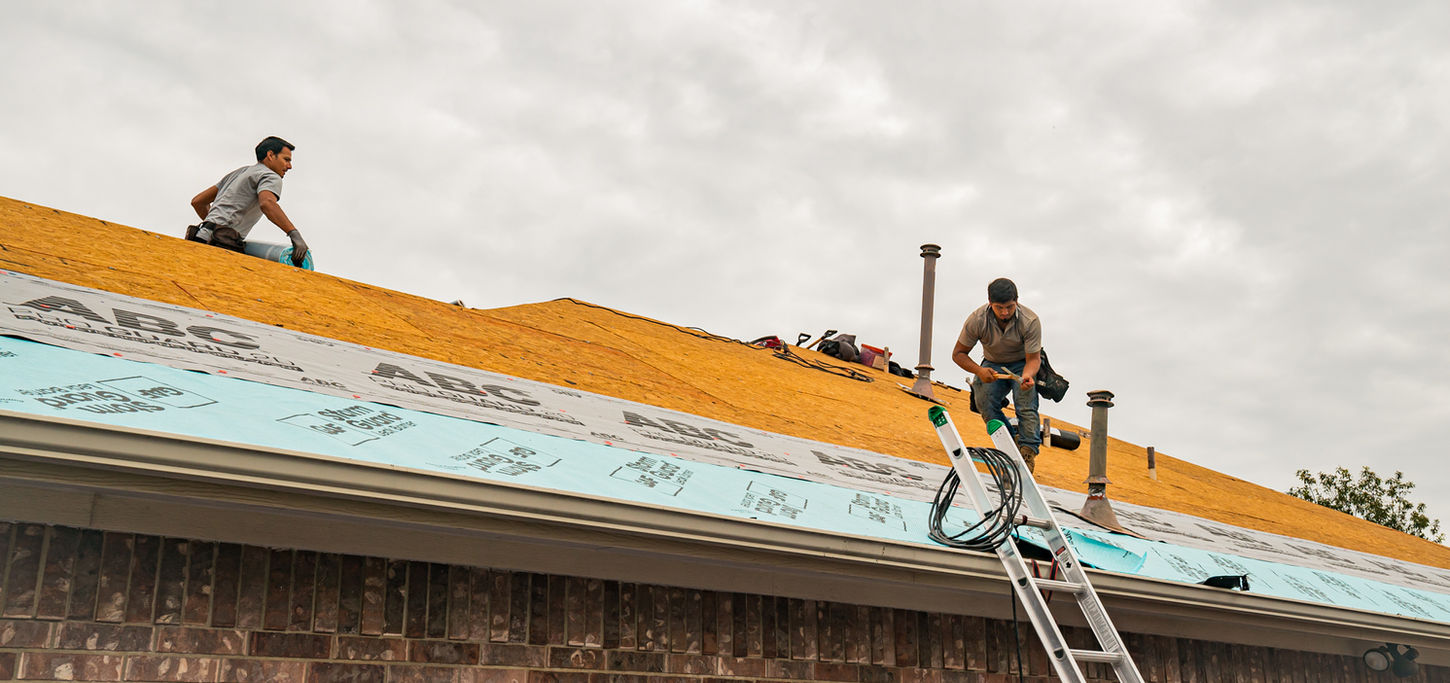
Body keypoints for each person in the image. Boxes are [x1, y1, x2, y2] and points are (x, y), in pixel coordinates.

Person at [951, 277, 1043, 472]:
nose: (1005, 312)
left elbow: (1034, 359)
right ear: (990, 302)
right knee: (983, 401)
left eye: (1009, 307)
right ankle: (1009, 446)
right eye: (999, 307)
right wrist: (979, 371)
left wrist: (1027, 376)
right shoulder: (977, 319)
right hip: (992, 362)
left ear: (1017, 301)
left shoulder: (1030, 320)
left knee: (1026, 403)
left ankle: (1027, 452)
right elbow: (958, 354)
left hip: (1022, 363)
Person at [188, 136, 309, 266]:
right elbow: (267, 203)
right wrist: (295, 235)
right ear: (270, 155)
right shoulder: (270, 176)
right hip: (220, 245)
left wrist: (214, 226)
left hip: (199, 238)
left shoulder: (241, 172)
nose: (289, 166)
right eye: (286, 160)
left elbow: (198, 201)